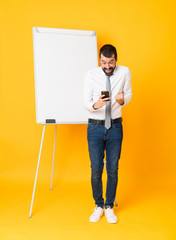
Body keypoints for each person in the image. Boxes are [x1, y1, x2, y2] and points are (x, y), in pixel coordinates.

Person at [83, 44, 132, 223]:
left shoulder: (125, 72)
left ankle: (109, 206)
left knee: (112, 169)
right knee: (96, 169)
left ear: (116, 59)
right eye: (104, 62)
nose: (107, 66)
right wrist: (96, 105)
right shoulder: (91, 74)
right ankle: (98, 205)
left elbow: (128, 94)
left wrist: (123, 100)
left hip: (115, 128)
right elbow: (85, 101)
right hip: (95, 127)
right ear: (100, 60)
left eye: (111, 62)